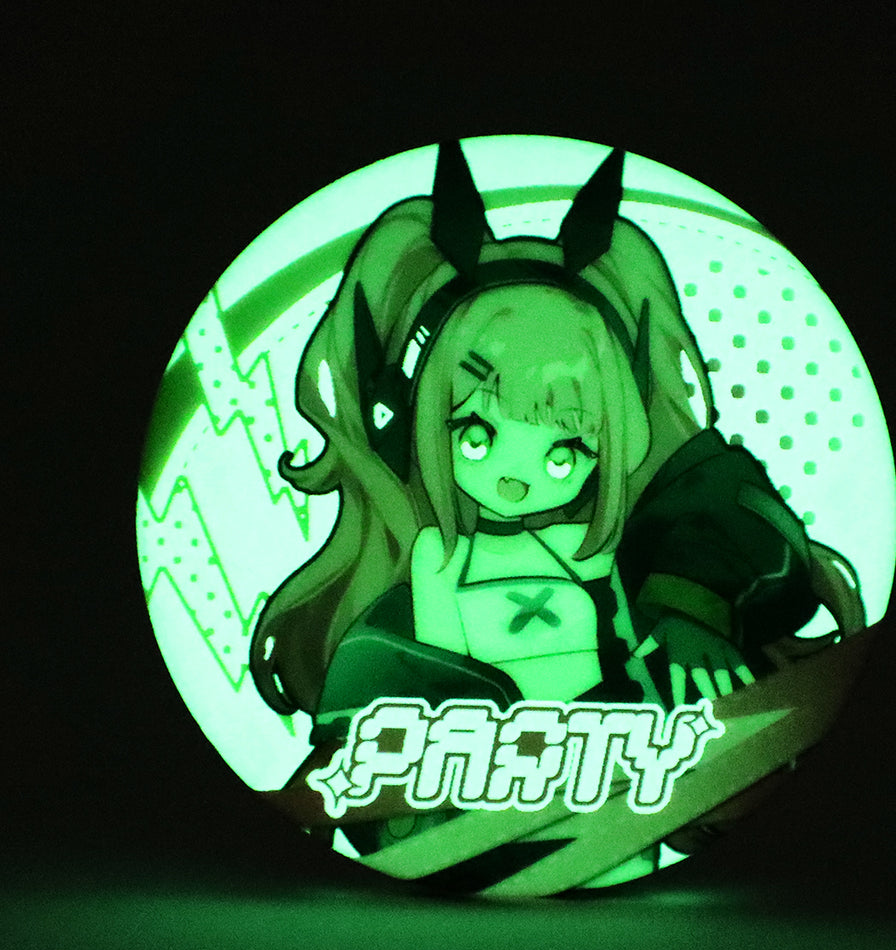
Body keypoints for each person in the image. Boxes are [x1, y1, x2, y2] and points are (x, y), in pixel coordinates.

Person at [249, 140, 864, 755]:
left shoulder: (606, 547)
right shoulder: (430, 564)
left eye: (562, 451)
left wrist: (686, 615)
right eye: (477, 435)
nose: (516, 478)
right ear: (404, 424)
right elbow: (424, 683)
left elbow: (713, 525)